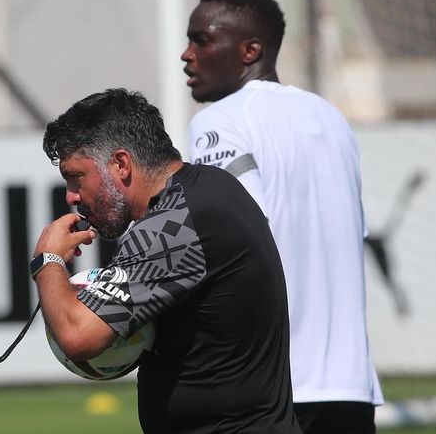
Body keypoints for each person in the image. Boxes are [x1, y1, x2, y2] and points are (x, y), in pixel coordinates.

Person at [32, 88, 300, 433]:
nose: (71, 196)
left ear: (121, 164)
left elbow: (78, 337)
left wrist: (47, 260)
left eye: (76, 177)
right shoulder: (208, 190)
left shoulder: (176, 223)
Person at [182, 0, 382, 433]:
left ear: (251, 49)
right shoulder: (330, 118)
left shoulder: (219, 121)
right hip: (351, 390)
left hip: (272, 389)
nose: (186, 54)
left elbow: (232, 242)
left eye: (202, 39)